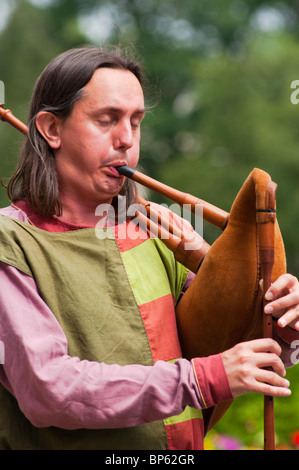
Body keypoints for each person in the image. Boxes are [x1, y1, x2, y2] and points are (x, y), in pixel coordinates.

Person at [0, 45, 298, 451]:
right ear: (51, 129)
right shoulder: (10, 241)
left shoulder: (156, 237)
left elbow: (230, 348)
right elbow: (49, 390)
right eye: (106, 121)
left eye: (135, 122)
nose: (126, 140)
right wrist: (201, 379)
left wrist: (283, 326)